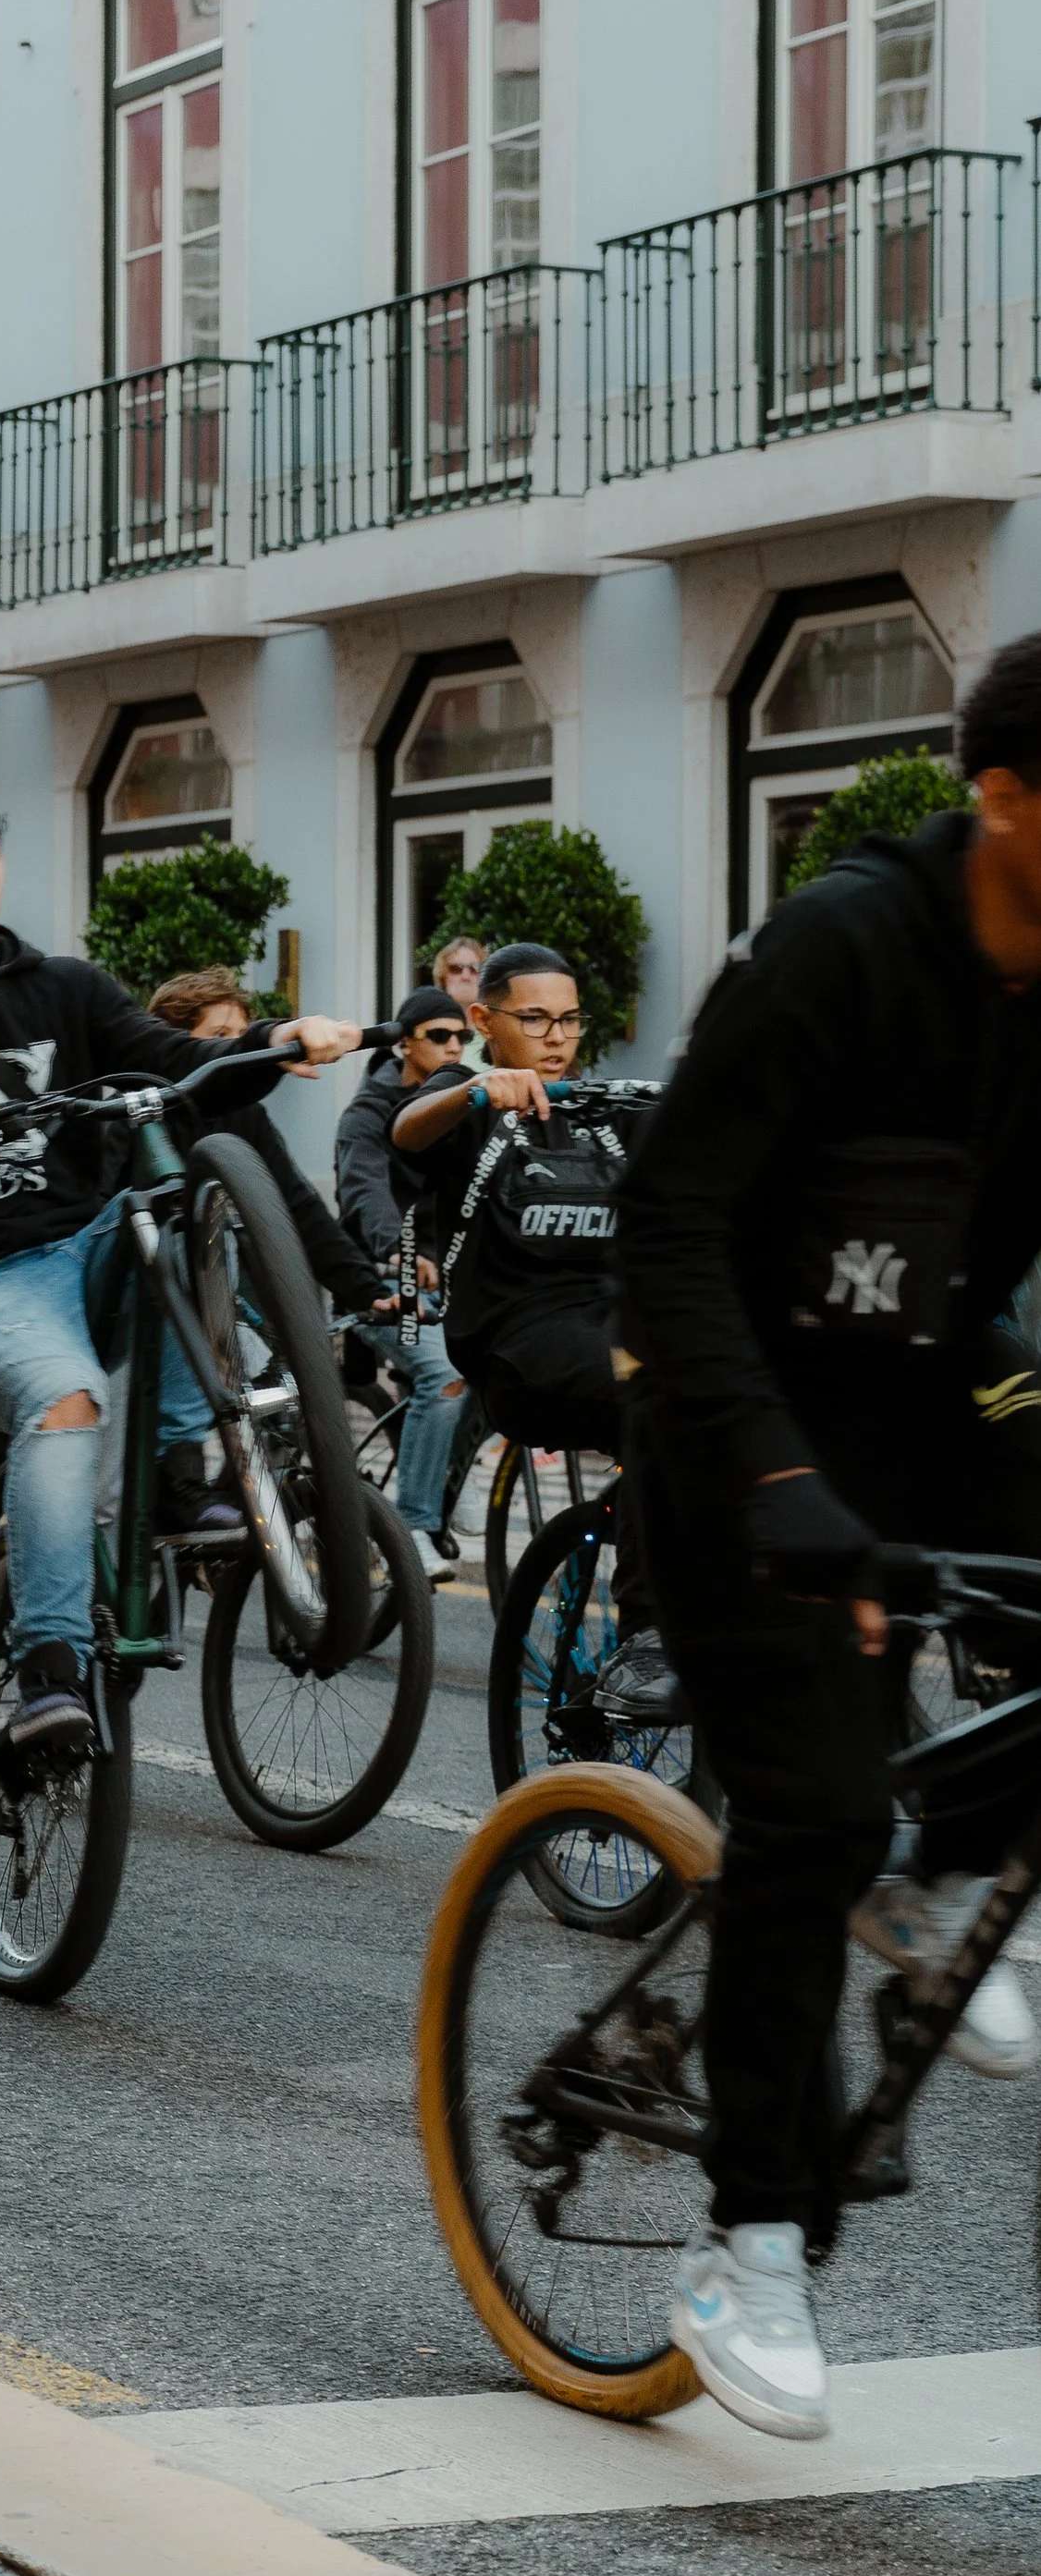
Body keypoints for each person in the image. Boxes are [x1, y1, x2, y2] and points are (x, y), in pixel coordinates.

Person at [617, 635, 1041, 2442]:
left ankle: (944, 1868)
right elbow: (669, 1220)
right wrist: (779, 1479)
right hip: (734, 1417)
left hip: (933, 1382)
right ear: (1004, 800)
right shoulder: (839, 948)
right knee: (806, 1803)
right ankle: (744, 2235)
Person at [0, 771, 359, 1750]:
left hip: (84, 1252)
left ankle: (182, 1468)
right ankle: (48, 1669)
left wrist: (277, 1039)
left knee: (188, 1194)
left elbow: (168, 1052)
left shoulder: (62, 986)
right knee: (65, 1397)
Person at [389, 943, 667, 1699]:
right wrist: (479, 1090)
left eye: (570, 1019)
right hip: (517, 1346)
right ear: (484, 1019)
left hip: (616, 1330)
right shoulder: (465, 1094)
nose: (557, 1035)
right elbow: (406, 1130)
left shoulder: (604, 1114)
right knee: (659, 1391)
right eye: (536, 1018)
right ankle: (647, 1637)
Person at [147, 968, 438, 1559]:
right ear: (177, 1043)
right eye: (218, 1037)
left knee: (273, 1382)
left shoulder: (244, 1111)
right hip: (156, 1301)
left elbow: (299, 1205)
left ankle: (238, 1513)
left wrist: (365, 1289)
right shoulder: (151, 1112)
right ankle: (179, 1493)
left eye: (241, 1035)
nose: (234, 1051)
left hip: (230, 1292)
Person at [329, 984, 478, 1582]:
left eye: (462, 1036)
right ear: (406, 1041)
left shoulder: (463, 1102)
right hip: (380, 1280)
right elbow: (364, 1190)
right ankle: (413, 1525)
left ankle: (449, 1476)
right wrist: (398, 1248)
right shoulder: (367, 1113)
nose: (454, 1045)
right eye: (439, 1035)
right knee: (444, 1374)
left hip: (454, 1276)